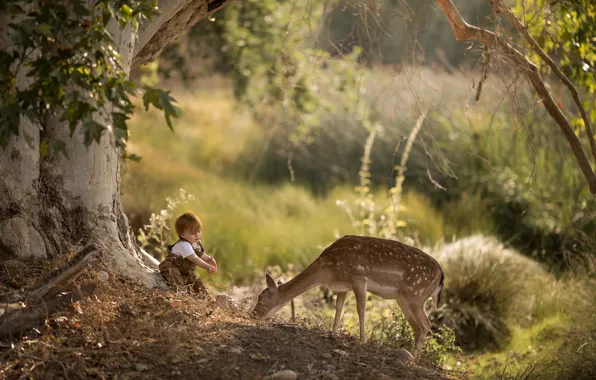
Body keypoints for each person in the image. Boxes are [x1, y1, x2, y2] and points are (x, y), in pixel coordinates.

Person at [158, 212, 217, 298]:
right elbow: (194, 258)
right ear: (182, 235)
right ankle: (179, 296)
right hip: (172, 267)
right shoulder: (184, 245)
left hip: (185, 272)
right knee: (176, 278)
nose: (197, 235)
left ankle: (206, 299)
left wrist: (209, 259)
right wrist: (207, 266)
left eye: (199, 231)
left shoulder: (196, 242)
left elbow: (201, 255)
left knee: (197, 283)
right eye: (193, 233)